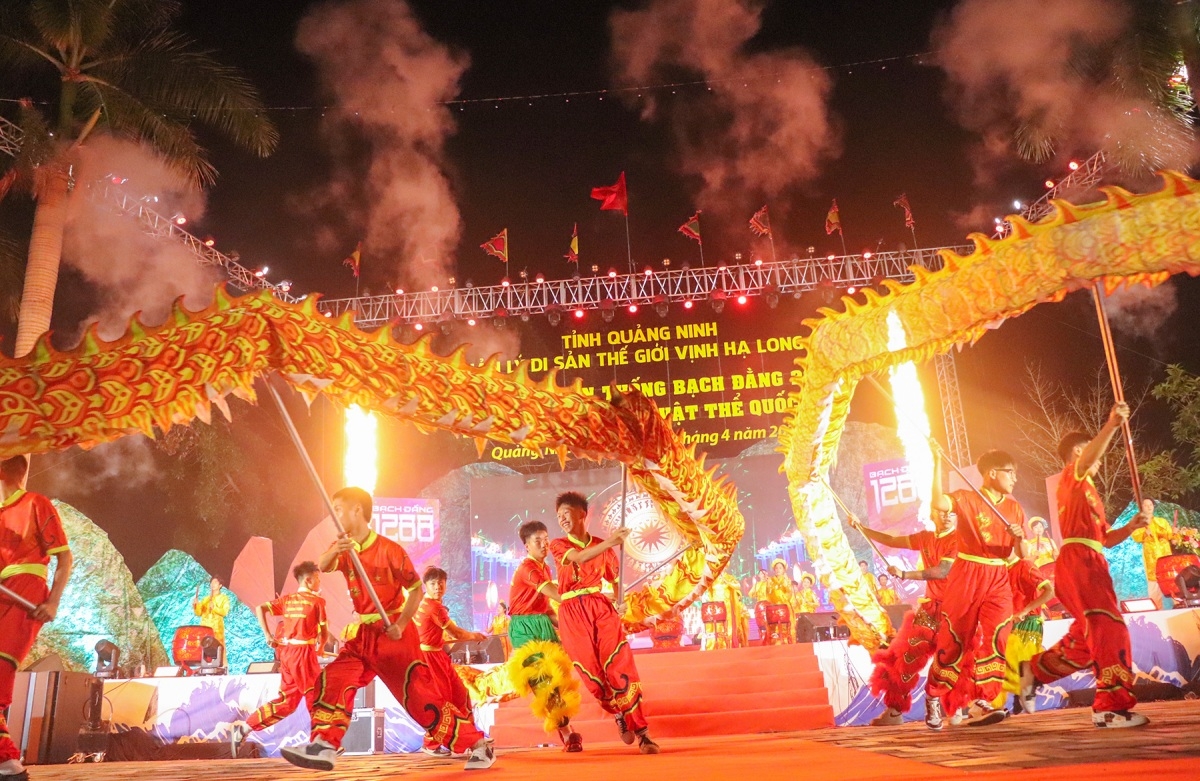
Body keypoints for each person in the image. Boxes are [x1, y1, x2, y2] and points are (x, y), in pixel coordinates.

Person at [280, 487, 495, 771]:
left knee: (421, 701)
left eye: (340, 509)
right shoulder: (344, 549)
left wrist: (402, 624)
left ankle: (479, 745)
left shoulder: (390, 550)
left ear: (358, 511)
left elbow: (416, 590)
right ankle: (324, 745)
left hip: (394, 636)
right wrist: (336, 549)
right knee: (332, 678)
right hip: (364, 636)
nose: (336, 515)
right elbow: (322, 565)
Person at [1017, 404, 1153, 729]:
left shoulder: (1090, 493)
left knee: (1086, 638)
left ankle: (1032, 672)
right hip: (1079, 563)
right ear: (1078, 452)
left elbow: (1104, 539)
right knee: (1110, 629)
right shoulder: (1072, 478)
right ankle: (1109, 708)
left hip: (1091, 560)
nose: (1100, 460)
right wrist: (1110, 426)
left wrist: (1133, 525)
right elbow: (1089, 460)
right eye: (1092, 452)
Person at [549, 491, 659, 754]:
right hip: (572, 613)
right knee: (594, 676)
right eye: (559, 515)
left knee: (620, 666)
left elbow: (615, 579)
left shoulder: (605, 547)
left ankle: (643, 732)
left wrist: (620, 600)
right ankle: (617, 712)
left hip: (600, 608)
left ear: (581, 514)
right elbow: (579, 557)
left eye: (566, 513)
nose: (562, 518)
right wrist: (612, 540)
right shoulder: (559, 545)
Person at [924, 450, 1025, 730]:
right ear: (992, 473)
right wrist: (936, 464)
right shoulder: (967, 498)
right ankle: (933, 695)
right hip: (968, 573)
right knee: (955, 639)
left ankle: (983, 699)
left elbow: (1023, 552)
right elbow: (938, 502)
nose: (1014, 478)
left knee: (1000, 633)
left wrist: (1019, 539)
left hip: (997, 575)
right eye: (1010, 472)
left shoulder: (1014, 508)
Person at [851, 495, 956, 726]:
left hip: (956, 611)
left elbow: (941, 571)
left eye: (952, 512)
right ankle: (896, 710)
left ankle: (963, 708)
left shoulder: (959, 540)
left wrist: (905, 574)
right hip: (929, 610)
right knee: (904, 659)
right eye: (942, 511)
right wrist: (862, 528)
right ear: (932, 514)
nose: (947, 516)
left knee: (961, 661)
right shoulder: (926, 538)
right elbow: (891, 539)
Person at [0, 455, 73, 781]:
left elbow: (64, 558)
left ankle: (7, 762)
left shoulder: (36, 503)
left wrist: (54, 602)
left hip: (26, 593)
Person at [232, 561, 329, 752]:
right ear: (309, 580)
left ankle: (244, 727)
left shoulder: (288, 600)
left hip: (287, 654)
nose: (319, 582)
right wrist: (321, 647)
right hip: (303, 655)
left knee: (287, 702)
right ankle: (321, 743)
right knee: (317, 696)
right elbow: (324, 633)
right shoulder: (318, 602)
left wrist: (268, 635)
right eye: (318, 578)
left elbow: (261, 608)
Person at [508, 520, 582, 752]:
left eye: (546, 539)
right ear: (526, 546)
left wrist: (567, 625)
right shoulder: (528, 568)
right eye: (537, 541)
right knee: (543, 683)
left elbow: (547, 607)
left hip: (542, 623)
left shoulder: (545, 568)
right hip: (525, 628)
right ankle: (567, 733)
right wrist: (586, 598)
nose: (544, 544)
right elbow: (553, 593)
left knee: (557, 679)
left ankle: (565, 731)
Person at [416, 567, 488, 756]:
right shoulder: (434, 607)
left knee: (460, 694)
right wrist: (474, 636)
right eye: (433, 583)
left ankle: (472, 737)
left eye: (441, 583)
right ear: (426, 586)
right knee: (442, 700)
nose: (438, 587)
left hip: (438, 655)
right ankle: (430, 744)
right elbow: (455, 633)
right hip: (430, 658)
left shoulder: (428, 603)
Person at [1130, 510, 1173, 608]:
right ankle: (1157, 612)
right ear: (1142, 507)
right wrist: (1145, 533)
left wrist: (1173, 533)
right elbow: (1136, 537)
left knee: (1172, 583)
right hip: (1151, 559)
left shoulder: (1162, 521)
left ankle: (1180, 608)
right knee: (1154, 586)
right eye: (1145, 505)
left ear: (1153, 507)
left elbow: (1170, 535)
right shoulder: (1139, 524)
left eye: (1150, 505)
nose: (1148, 507)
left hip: (1165, 556)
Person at [193, 575, 231, 647]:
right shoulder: (205, 599)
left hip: (216, 631)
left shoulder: (224, 598)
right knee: (204, 651)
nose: (213, 584)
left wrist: (214, 608)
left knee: (218, 652)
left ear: (220, 585)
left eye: (215, 582)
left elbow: (224, 612)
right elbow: (199, 613)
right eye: (212, 582)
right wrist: (195, 605)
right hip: (204, 630)